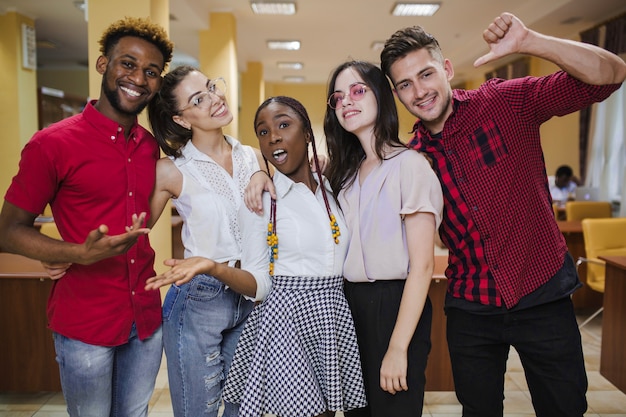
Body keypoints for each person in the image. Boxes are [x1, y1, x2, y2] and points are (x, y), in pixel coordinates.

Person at [379, 12, 626, 417]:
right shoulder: (412, 159)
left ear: (446, 68)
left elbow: (612, 75)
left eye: (425, 75)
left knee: (565, 408)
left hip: (542, 290)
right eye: (405, 85)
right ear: (397, 93)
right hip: (470, 305)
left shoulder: (504, 102)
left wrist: (531, 42)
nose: (419, 91)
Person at [146, 96, 368, 417]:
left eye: (283, 125)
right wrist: (214, 267)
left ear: (307, 133)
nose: (273, 136)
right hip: (287, 325)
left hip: (334, 317)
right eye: (263, 132)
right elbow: (260, 284)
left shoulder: (335, 186)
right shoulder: (261, 201)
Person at [0, 17, 173, 417]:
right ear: (102, 65)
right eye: (127, 64)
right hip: (85, 321)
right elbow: (8, 230)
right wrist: (75, 252)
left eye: (150, 72)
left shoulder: (149, 147)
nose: (138, 78)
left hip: (145, 318)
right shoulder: (52, 144)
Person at [324, 61, 443, 417]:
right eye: (338, 97)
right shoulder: (342, 174)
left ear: (382, 97)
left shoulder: (410, 165)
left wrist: (398, 347)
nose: (346, 101)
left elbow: (422, 266)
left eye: (358, 91)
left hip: (394, 304)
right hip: (348, 305)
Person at [145, 65, 265, 417]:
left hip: (251, 295)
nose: (216, 99)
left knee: (244, 411)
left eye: (212, 88)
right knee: (199, 410)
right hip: (200, 300)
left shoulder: (251, 157)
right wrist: (73, 252)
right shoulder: (172, 169)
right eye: (199, 98)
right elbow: (132, 231)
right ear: (182, 120)